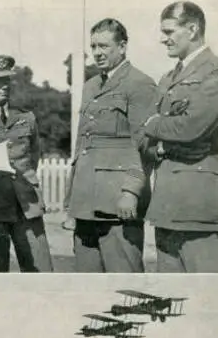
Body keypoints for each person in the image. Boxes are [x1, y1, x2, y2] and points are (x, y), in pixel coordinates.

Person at [66, 18, 156, 272]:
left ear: (123, 46)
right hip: (85, 202)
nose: (97, 53)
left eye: (104, 46)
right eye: (93, 46)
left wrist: (131, 191)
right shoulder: (91, 86)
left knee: (123, 278)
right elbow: (82, 144)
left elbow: (145, 145)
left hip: (118, 202)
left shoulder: (140, 83)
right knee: (87, 285)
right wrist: (72, 200)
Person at [141, 1, 218, 273]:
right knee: (169, 295)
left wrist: (156, 126)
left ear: (193, 29)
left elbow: (193, 128)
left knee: (206, 292)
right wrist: (160, 140)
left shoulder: (216, 71)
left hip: (197, 203)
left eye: (170, 31)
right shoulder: (167, 78)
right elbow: (146, 131)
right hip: (166, 202)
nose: (163, 39)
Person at [0, 55, 52, 272]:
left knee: (41, 270)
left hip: (27, 204)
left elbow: (33, 157)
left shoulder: (26, 118)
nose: (4, 86)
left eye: (7, 80)